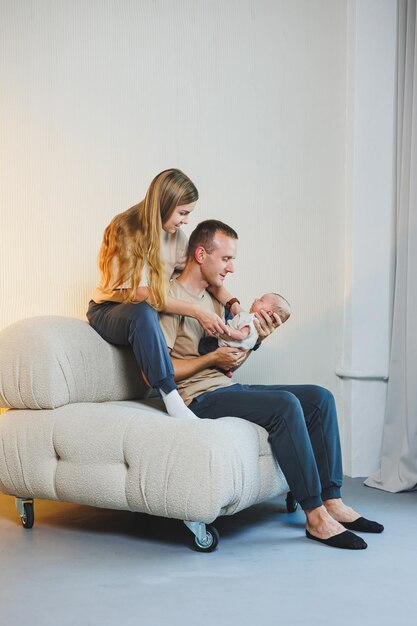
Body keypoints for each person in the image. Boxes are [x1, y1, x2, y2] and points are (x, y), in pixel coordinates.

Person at [159, 219, 384, 550]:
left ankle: (332, 501)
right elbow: (161, 372)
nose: (232, 268)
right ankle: (316, 517)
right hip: (198, 398)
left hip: (224, 387)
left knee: (319, 398)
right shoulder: (171, 301)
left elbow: (230, 361)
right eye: (226, 259)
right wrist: (212, 361)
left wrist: (257, 341)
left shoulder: (214, 299)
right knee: (285, 405)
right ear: (201, 254)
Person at [86, 169, 243, 420]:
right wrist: (195, 311)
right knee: (143, 311)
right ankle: (171, 397)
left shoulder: (175, 236)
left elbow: (201, 272)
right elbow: (140, 295)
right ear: (165, 203)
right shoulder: (125, 229)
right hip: (112, 310)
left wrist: (232, 304)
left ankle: (218, 370)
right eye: (182, 213)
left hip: (147, 310)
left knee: (207, 302)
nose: (185, 221)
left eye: (188, 214)